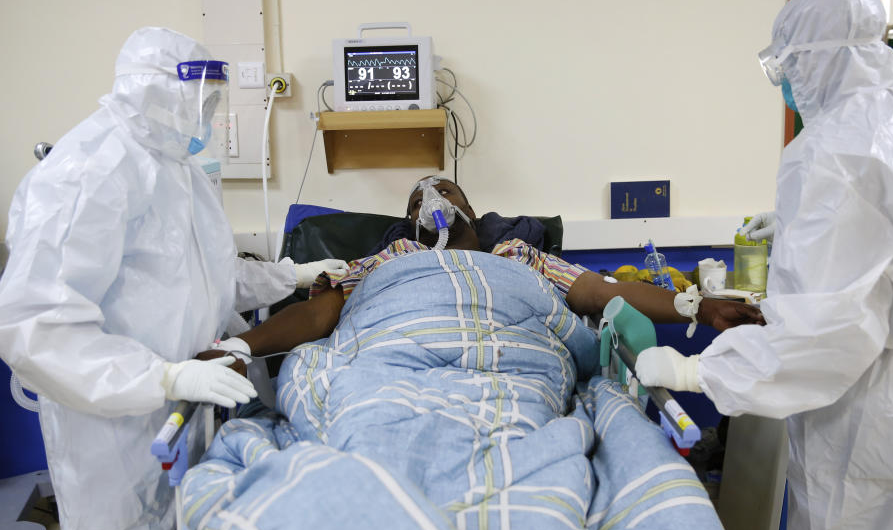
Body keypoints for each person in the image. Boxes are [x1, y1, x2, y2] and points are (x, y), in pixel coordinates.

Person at [637, 0, 893, 530]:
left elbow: (827, 336)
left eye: (785, 64)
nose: (784, 82)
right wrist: (797, 227)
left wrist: (699, 374)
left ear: (815, 58)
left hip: (869, 403)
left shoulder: (828, 150)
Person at [0, 27, 341, 530]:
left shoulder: (176, 167)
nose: (209, 116)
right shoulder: (89, 169)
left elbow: (211, 273)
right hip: (110, 411)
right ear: (157, 92)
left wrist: (292, 277)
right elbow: (37, 322)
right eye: (202, 101)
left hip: (179, 393)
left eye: (213, 102)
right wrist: (161, 376)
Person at [210, 175, 765, 362]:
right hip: (396, 355)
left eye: (445, 187)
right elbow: (318, 318)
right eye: (416, 200)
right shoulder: (392, 258)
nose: (430, 194)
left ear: (470, 210)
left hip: (511, 356)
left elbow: (597, 293)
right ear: (410, 224)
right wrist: (241, 348)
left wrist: (697, 304)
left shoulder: (515, 256)